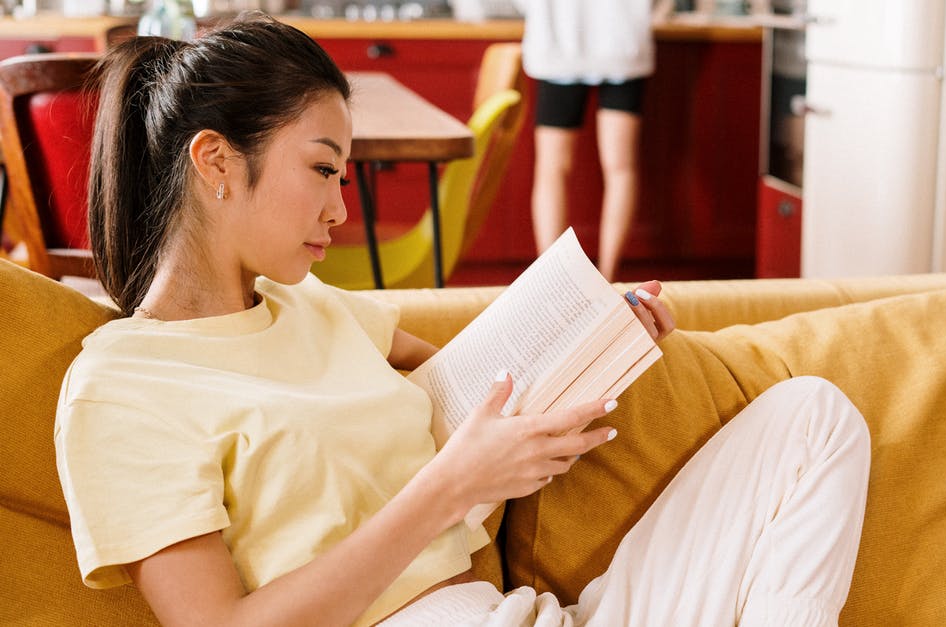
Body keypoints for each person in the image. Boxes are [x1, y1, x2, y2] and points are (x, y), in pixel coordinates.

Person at [55, 16, 871, 626]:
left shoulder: (317, 309)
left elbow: (486, 379)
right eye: (322, 170)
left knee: (815, 419)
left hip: (521, 614)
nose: (342, 208)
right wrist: (450, 487)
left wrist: (598, 343)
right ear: (216, 162)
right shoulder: (120, 383)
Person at [517, 0, 675, 281]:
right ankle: (609, 279)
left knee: (552, 169)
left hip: (558, 45)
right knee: (620, 168)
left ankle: (550, 282)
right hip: (623, 44)